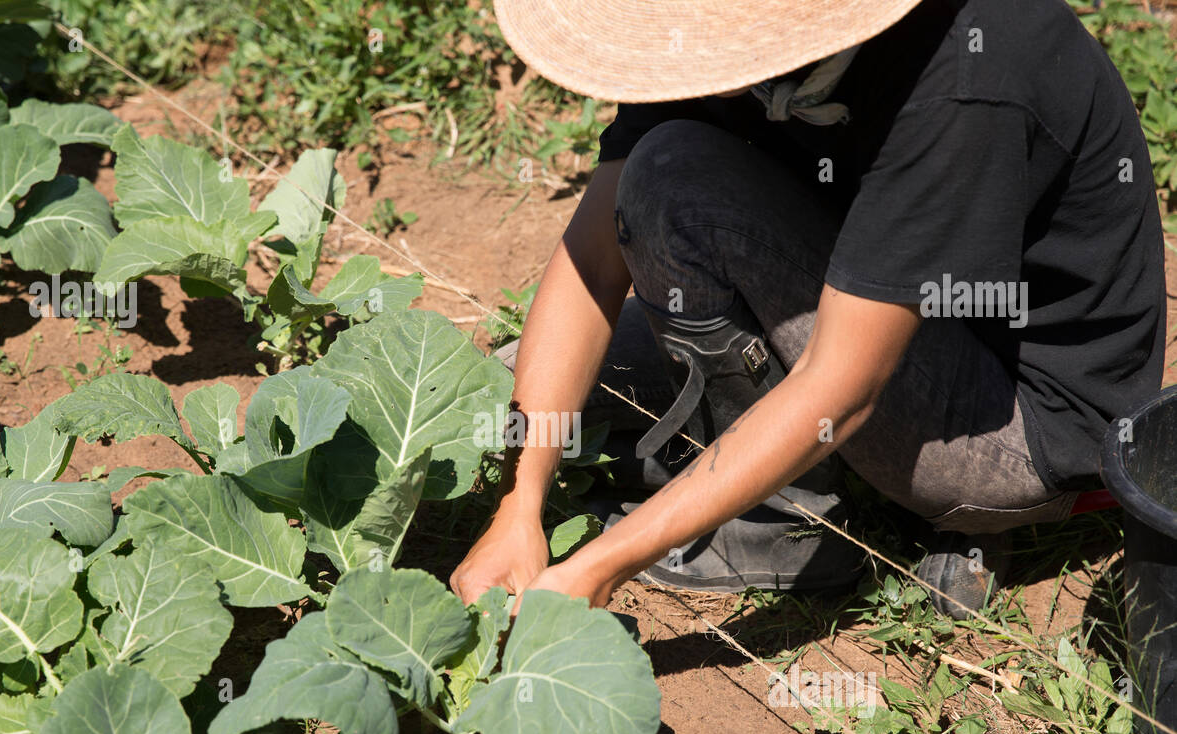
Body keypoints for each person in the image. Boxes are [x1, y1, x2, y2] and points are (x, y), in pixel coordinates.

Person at [449, 0, 1166, 618]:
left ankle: (780, 532)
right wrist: (520, 504)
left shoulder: (963, 75)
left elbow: (841, 389)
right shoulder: (710, 30)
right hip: (863, 295)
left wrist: (600, 564)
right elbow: (592, 259)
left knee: (677, 178)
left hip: (1017, 426)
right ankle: (733, 456)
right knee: (506, 389)